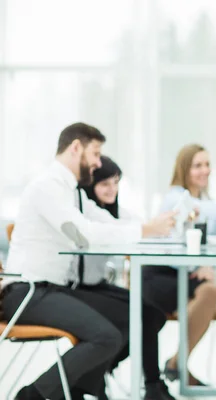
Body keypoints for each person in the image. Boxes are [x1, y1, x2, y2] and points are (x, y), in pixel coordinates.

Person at [2, 123, 178, 400]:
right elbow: (83, 234)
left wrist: (152, 227)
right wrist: (146, 230)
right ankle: (32, 396)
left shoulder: (74, 193)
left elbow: (109, 224)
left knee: (129, 315)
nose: (98, 163)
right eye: (95, 154)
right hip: (26, 292)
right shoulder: (47, 187)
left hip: (53, 290)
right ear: (76, 148)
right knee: (106, 337)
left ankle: (82, 391)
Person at [142, 143, 216, 386]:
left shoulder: (206, 199)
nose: (205, 170)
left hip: (185, 275)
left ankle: (178, 362)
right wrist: (195, 267)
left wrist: (203, 265)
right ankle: (174, 369)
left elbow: (205, 242)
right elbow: (197, 213)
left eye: (207, 164)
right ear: (185, 169)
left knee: (211, 291)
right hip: (159, 275)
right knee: (205, 287)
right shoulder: (175, 198)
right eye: (197, 165)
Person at [81, 155, 137, 284]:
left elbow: (135, 223)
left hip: (103, 281)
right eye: (105, 184)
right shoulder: (88, 214)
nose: (113, 189)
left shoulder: (118, 212)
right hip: (86, 284)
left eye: (116, 182)